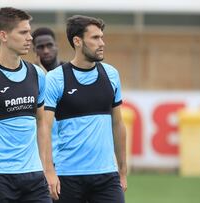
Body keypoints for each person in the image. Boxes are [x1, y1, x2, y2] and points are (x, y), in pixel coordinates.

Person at [0, 7, 59, 203]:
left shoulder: (38, 75)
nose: (30, 38)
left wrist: (46, 168)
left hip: (34, 176)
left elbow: (42, 123)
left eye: (29, 31)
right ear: (4, 36)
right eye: (23, 32)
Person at [44, 15, 127, 203]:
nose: (102, 43)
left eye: (102, 37)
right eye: (95, 38)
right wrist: (49, 171)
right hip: (68, 176)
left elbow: (118, 124)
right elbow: (44, 128)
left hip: (107, 176)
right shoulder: (55, 79)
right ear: (77, 41)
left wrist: (122, 172)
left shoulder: (111, 74)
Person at [32, 27, 64, 162]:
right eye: (40, 47)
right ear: (34, 50)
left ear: (56, 46)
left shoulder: (68, 72)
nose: (46, 51)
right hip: (42, 154)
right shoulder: (29, 76)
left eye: (49, 45)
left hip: (67, 153)